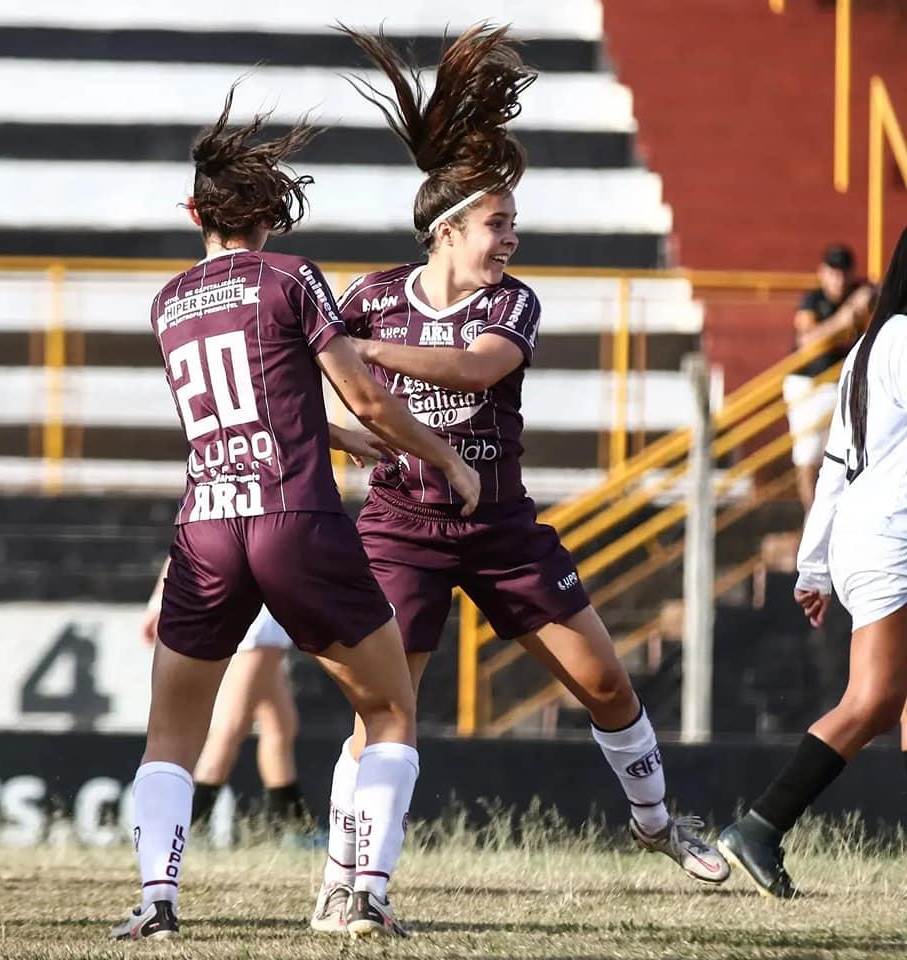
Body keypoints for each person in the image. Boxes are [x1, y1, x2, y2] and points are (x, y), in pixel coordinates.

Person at [309, 24, 730, 932]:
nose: (511, 238)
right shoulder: (373, 291)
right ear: (448, 229)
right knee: (386, 711)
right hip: (400, 530)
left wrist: (350, 350)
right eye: (498, 224)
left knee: (608, 686)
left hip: (500, 529)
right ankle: (351, 885)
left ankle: (657, 824)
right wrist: (345, 425)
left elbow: (472, 369)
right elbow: (306, 382)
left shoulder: (509, 302)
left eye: (512, 224)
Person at [110, 83, 480, 942]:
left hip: (205, 529)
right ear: (271, 212)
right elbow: (367, 392)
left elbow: (251, 401)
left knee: (171, 734)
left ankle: (157, 901)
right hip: (294, 520)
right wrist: (444, 456)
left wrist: (334, 436)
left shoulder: (167, 303)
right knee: (389, 710)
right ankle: (363, 897)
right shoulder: (290, 275)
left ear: (194, 210)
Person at [719, 227, 907, 898]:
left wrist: (816, 562)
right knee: (873, 699)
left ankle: (763, 826)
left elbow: (834, 465)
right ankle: (762, 825)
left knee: (894, 701)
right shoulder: (904, 340)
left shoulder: (864, 348)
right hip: (893, 536)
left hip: (864, 534)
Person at [140, 429, 395, 837]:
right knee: (230, 727)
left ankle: (294, 827)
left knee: (280, 725)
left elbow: (195, 531)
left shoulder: (226, 453)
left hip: (256, 592)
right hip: (259, 610)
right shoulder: (269, 459)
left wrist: (157, 600)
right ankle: (185, 832)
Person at [783, 244, 873, 513]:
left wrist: (866, 296)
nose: (839, 279)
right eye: (833, 273)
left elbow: (876, 291)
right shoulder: (813, 301)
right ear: (823, 273)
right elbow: (805, 340)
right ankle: (813, 519)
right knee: (808, 456)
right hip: (809, 383)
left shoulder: (859, 293)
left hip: (842, 385)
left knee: (843, 456)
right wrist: (842, 321)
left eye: (844, 272)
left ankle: (835, 518)